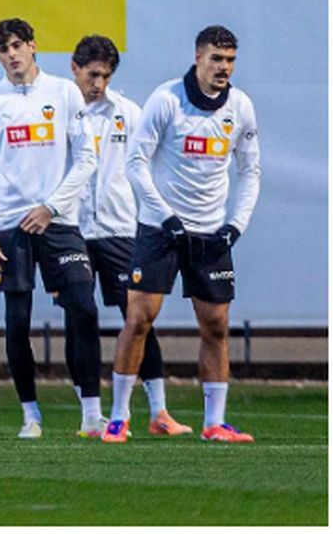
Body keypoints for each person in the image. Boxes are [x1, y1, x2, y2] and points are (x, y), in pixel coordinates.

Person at [104, 25, 261, 444]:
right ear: (198, 58)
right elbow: (135, 163)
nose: (223, 68)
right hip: (161, 230)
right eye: (215, 59)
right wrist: (166, 216)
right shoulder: (167, 99)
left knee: (216, 325)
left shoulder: (241, 107)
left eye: (229, 60)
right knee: (138, 319)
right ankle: (118, 418)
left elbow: (250, 172)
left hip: (211, 234)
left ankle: (214, 423)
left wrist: (235, 225)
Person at [0, 18, 104, 438]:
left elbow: (87, 159)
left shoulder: (64, 92)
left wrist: (51, 207)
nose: (10, 56)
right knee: (17, 321)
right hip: (10, 227)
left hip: (58, 222)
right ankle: (31, 414)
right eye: (1, 50)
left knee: (83, 307)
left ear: (32, 47)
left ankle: (91, 413)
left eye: (15, 46)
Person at [69, 35, 190, 439]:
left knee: (137, 319)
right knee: (80, 316)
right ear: (75, 69)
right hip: (73, 230)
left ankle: (159, 411)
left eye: (105, 75)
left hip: (122, 229)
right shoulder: (61, 113)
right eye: (92, 74)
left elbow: (149, 165)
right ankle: (90, 416)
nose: (98, 83)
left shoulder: (130, 113)